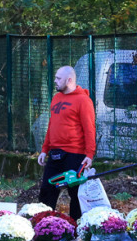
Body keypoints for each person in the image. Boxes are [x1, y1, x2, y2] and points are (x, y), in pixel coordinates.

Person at [37, 65, 96, 219]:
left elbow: (90, 128)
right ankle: (44, 227)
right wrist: (44, 149)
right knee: (46, 191)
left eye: (58, 78)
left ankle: (77, 231)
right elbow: (52, 125)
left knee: (76, 195)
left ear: (69, 80)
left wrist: (89, 154)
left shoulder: (83, 100)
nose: (55, 81)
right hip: (55, 153)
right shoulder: (56, 98)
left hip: (75, 155)